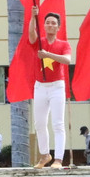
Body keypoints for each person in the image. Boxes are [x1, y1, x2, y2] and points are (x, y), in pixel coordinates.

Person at [31, 11, 73, 168]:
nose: (50, 25)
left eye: (53, 23)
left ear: (58, 27)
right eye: (47, 22)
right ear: (44, 25)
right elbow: (30, 35)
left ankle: (58, 159)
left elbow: (67, 60)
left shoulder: (63, 44)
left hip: (57, 86)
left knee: (58, 123)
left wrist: (48, 54)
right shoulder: (39, 42)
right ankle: (45, 155)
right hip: (40, 86)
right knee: (40, 123)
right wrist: (32, 16)